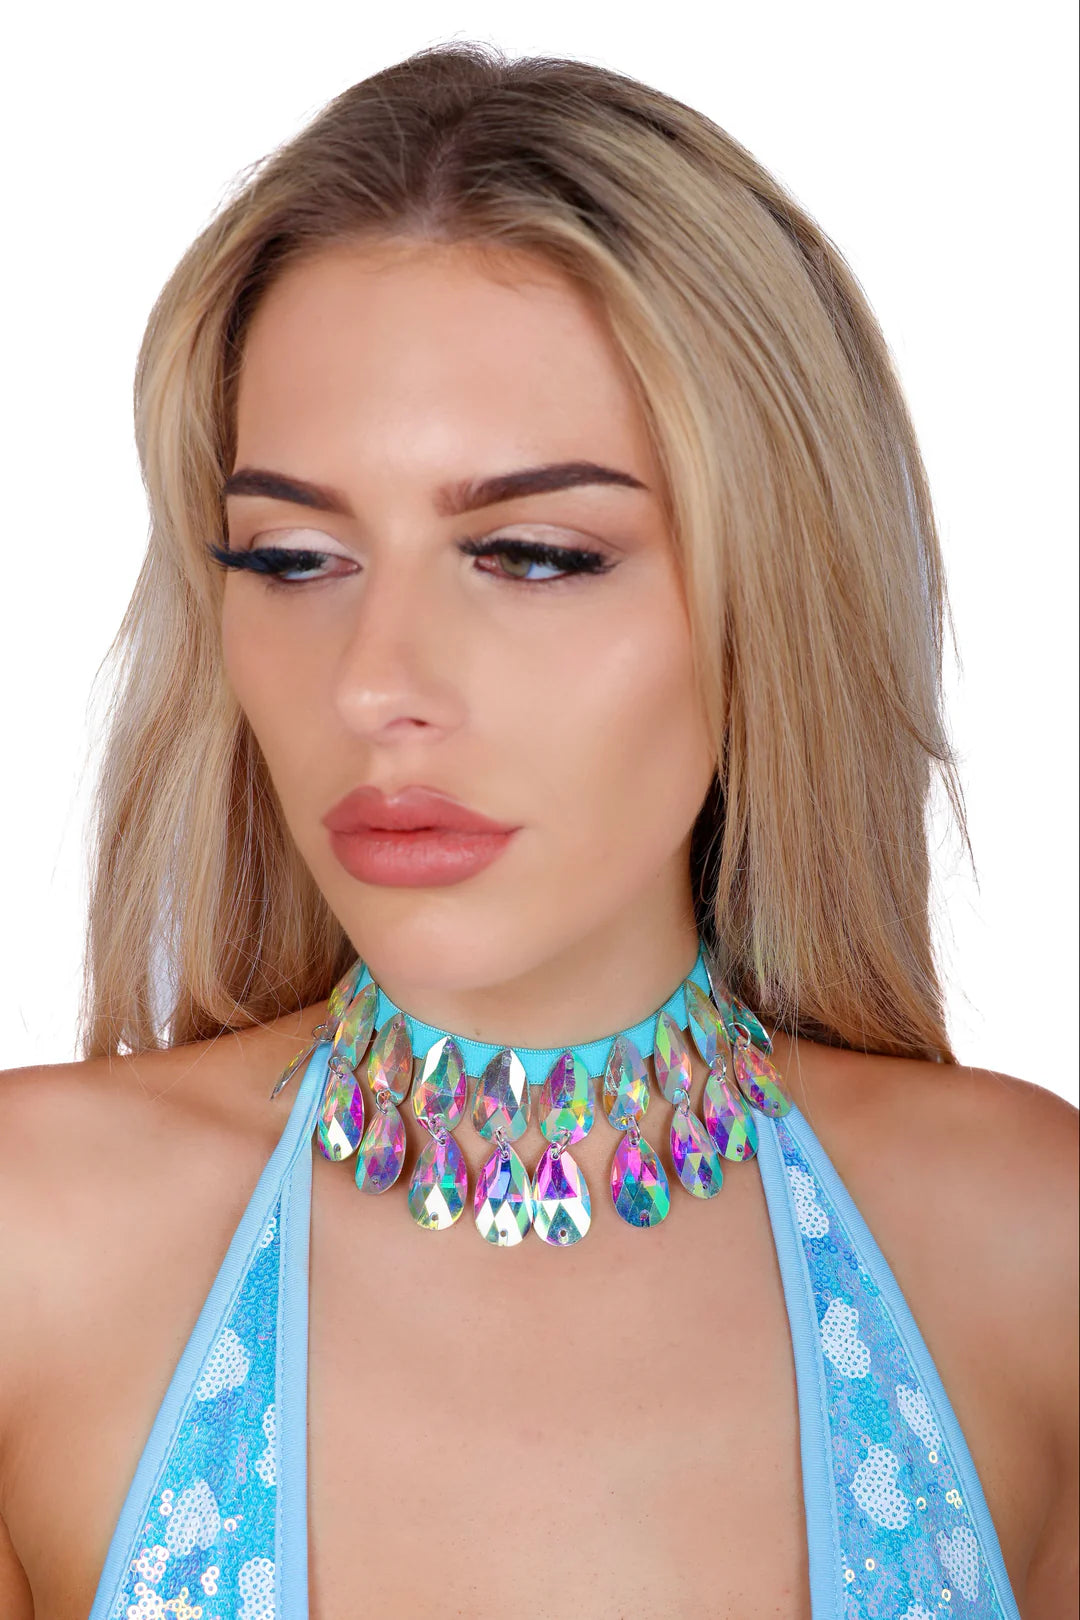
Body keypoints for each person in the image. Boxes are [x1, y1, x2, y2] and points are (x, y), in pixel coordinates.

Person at [0, 39, 1075, 1620]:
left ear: (772, 588)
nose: (375, 685)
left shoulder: (1030, 1256)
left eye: (536, 555)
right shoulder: (32, 1249)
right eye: (293, 559)